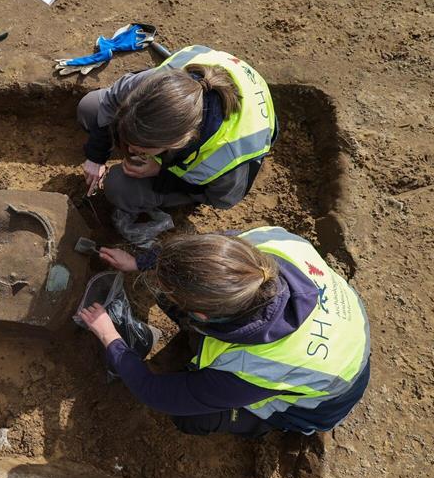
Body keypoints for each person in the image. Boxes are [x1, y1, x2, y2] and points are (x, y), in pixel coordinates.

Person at [77, 226, 370, 437]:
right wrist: (139, 262)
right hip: (345, 330)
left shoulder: (261, 366)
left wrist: (110, 337)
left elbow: (156, 393)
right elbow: (202, 255)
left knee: (192, 419)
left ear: (202, 315)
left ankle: (270, 424)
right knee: (171, 293)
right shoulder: (263, 247)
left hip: (322, 399)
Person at [76, 45, 278, 240]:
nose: (128, 150)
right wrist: (96, 155)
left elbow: (223, 199)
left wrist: (163, 171)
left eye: (140, 148)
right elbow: (111, 101)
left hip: (247, 137)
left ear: (177, 143)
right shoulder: (153, 84)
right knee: (90, 108)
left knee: (120, 186)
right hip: (198, 93)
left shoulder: (225, 159)